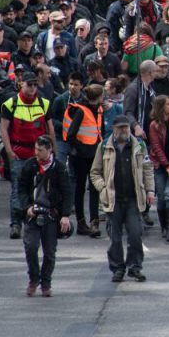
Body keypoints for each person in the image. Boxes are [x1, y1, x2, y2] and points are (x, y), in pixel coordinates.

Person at [90, 115, 155, 282]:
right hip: (113, 199)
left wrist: (150, 191)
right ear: (114, 129)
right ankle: (118, 268)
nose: (124, 131)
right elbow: (95, 172)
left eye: (126, 127)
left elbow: (147, 168)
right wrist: (103, 188)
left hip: (133, 198)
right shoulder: (104, 146)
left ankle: (135, 267)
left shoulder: (139, 145)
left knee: (135, 235)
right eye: (120, 128)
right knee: (115, 238)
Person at [1, 71, 56, 239]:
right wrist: (9, 151)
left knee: (40, 188)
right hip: (19, 153)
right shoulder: (10, 104)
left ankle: (35, 220)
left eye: (34, 84)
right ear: (20, 84)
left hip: (39, 154)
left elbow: (50, 128)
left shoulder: (44, 103)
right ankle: (16, 224)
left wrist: (52, 150)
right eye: (29, 84)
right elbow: (4, 129)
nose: (32, 88)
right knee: (18, 189)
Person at [18, 136, 72, 297]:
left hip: (51, 216)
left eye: (40, 150)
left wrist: (65, 215)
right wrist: (27, 207)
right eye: (35, 149)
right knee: (31, 247)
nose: (37, 153)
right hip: (32, 215)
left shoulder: (59, 168)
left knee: (49, 252)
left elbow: (67, 193)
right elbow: (20, 189)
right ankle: (34, 279)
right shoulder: (30, 165)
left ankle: (46, 283)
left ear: (50, 150)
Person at [63, 83, 104, 238]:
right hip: (80, 156)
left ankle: (94, 222)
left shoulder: (99, 110)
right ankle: (81, 223)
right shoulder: (81, 111)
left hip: (94, 154)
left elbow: (99, 131)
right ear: (98, 97)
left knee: (94, 189)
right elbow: (70, 135)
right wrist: (81, 149)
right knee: (80, 188)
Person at [148, 95, 169, 241]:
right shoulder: (155, 125)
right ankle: (164, 227)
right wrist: (166, 166)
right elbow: (156, 147)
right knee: (161, 195)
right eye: (168, 104)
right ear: (161, 107)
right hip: (161, 165)